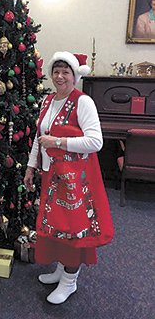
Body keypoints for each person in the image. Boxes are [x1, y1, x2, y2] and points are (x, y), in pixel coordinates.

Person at [24, 51, 114, 305]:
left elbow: (96, 142)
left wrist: (59, 142)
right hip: (50, 175)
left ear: (75, 76)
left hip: (75, 181)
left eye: (66, 72)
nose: (60, 76)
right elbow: (39, 139)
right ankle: (61, 271)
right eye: (56, 71)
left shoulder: (83, 102)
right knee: (55, 224)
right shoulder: (47, 101)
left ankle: (70, 281)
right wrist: (31, 167)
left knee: (74, 228)